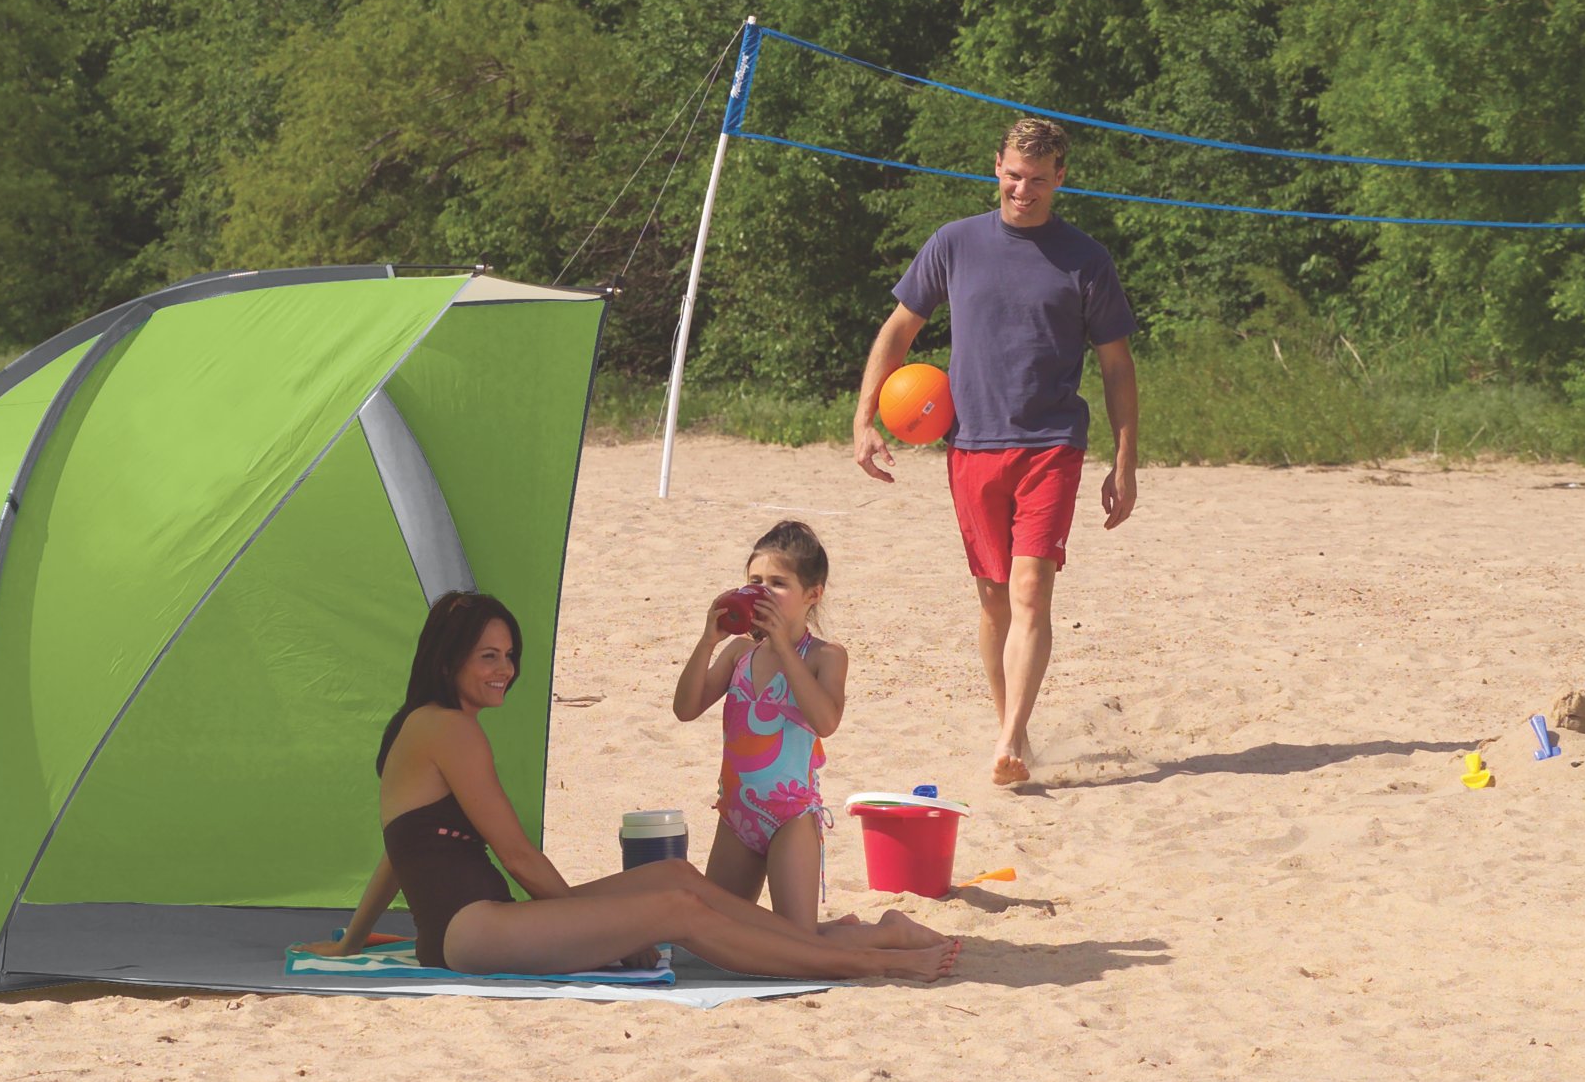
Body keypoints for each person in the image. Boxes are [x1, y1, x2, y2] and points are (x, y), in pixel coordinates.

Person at [312, 592, 957, 982]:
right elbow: (517, 856)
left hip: (476, 925)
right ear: (447, 659)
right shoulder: (450, 730)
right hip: (472, 932)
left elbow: (399, 847)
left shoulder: (422, 727)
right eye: (488, 656)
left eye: (509, 655)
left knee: (675, 882)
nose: (505, 670)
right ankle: (874, 961)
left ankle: (852, 939)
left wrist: (350, 937)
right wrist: (587, 926)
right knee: (676, 911)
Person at [853, 114, 1140, 791]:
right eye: (1013, 175)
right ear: (996, 168)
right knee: (992, 599)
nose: (1023, 190)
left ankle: (1009, 739)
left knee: (1032, 589)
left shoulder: (1085, 258)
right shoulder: (954, 245)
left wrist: (1124, 461)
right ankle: (1012, 722)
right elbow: (898, 330)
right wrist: (864, 418)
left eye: (1038, 180)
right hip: (972, 445)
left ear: (1060, 178)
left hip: (1051, 445)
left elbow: (1118, 367)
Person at [671, 520, 883, 937]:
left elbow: (826, 721)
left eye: (778, 583)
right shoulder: (740, 653)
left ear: (813, 594)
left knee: (796, 942)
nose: (763, 591)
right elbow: (685, 709)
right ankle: (841, 929)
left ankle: (889, 932)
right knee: (716, 936)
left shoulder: (825, 656)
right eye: (755, 580)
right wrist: (707, 641)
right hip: (737, 816)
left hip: (790, 819)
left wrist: (784, 646)